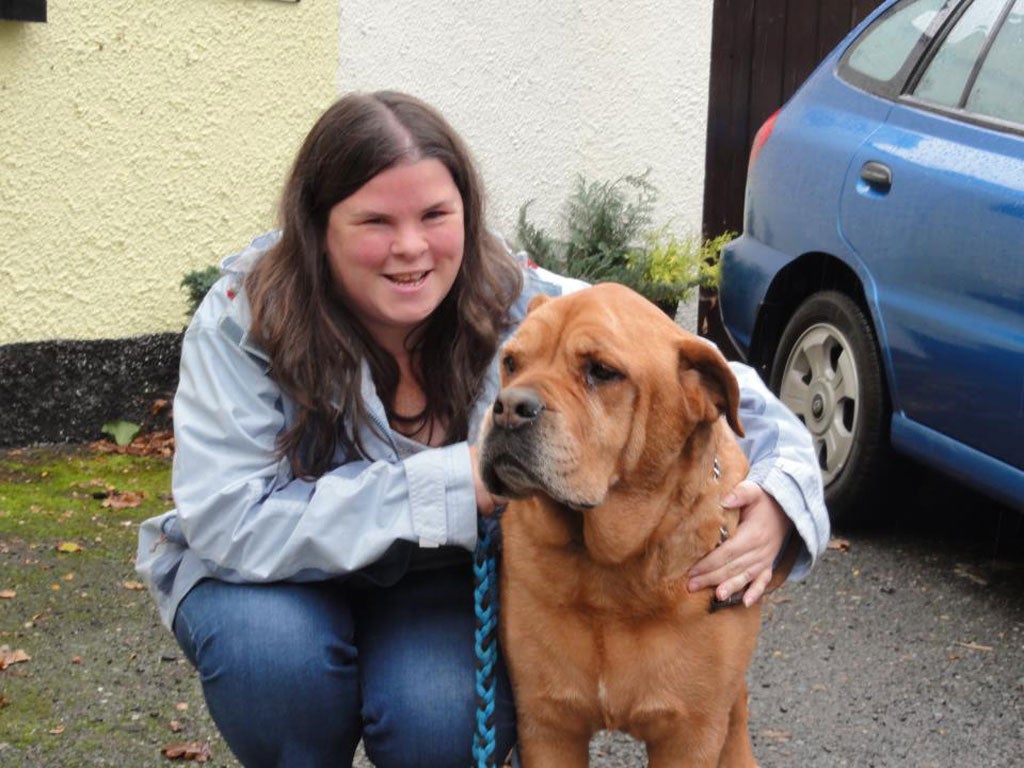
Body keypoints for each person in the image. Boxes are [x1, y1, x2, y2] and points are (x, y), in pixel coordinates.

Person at [137, 90, 830, 768]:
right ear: (318, 226)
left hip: (428, 582)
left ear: (467, 215)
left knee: (439, 722)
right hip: (271, 585)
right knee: (273, 666)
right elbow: (227, 518)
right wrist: (450, 482)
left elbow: (728, 393)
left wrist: (779, 503)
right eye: (375, 220)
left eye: (436, 214)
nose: (410, 247)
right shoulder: (242, 319)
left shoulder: (515, 298)